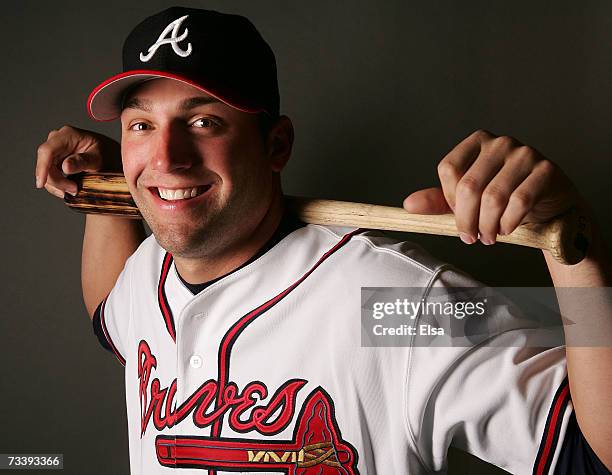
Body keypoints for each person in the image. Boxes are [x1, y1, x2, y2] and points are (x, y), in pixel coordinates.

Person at [35, 6, 611, 475]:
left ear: (276, 145)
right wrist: (107, 189)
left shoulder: (388, 301)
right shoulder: (146, 271)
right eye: (141, 126)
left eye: (204, 122)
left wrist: (577, 250)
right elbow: (108, 313)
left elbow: (594, 455)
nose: (166, 158)